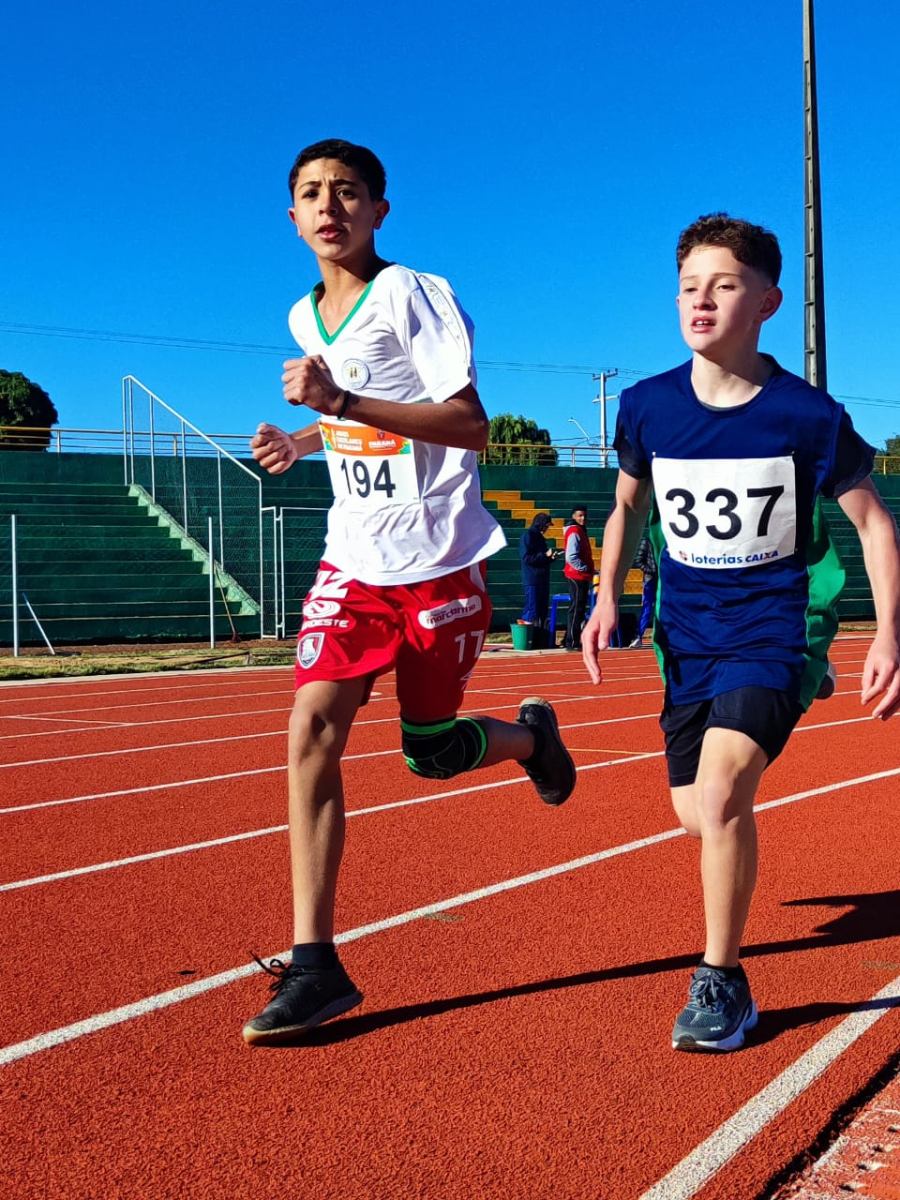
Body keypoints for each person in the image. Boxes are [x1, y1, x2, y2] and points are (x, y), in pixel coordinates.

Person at [243, 140, 576, 1046]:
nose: (328, 207)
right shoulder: (305, 316)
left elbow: (466, 423)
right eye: (310, 194)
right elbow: (348, 410)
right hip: (351, 561)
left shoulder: (413, 294)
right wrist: (307, 440)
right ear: (291, 217)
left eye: (347, 192)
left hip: (438, 563)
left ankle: (526, 738)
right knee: (310, 726)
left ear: (381, 209)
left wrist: (341, 405)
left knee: (429, 754)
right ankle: (317, 966)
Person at [582, 213, 900, 1053]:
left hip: (773, 626)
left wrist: (890, 635)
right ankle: (790, 691)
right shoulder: (648, 407)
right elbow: (625, 507)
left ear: (768, 302)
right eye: (689, 286)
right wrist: (606, 596)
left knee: (722, 795)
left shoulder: (805, 416)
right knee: (695, 813)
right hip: (684, 639)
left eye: (724, 285)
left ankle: (723, 981)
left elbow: (873, 527)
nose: (701, 300)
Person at [519, 513, 558, 646]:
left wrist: (550, 558)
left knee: (542, 611)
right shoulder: (528, 536)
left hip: (542, 579)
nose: (547, 529)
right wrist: (544, 555)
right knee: (532, 610)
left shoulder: (540, 538)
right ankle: (527, 640)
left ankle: (540, 640)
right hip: (532, 579)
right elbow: (527, 558)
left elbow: (540, 559)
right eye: (546, 525)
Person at [562, 506, 595, 651]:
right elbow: (571, 556)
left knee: (578, 608)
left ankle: (570, 638)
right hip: (576, 575)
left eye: (585, 515)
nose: (583, 518)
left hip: (581, 575)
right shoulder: (574, 532)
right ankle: (572, 641)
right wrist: (584, 567)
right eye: (580, 515)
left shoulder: (580, 531)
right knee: (576, 608)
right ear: (574, 516)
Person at [629, 535, 657, 648]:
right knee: (647, 608)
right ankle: (638, 637)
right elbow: (638, 561)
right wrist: (651, 570)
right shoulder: (647, 541)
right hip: (650, 580)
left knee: (665, 608)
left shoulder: (668, 540)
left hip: (664, 580)